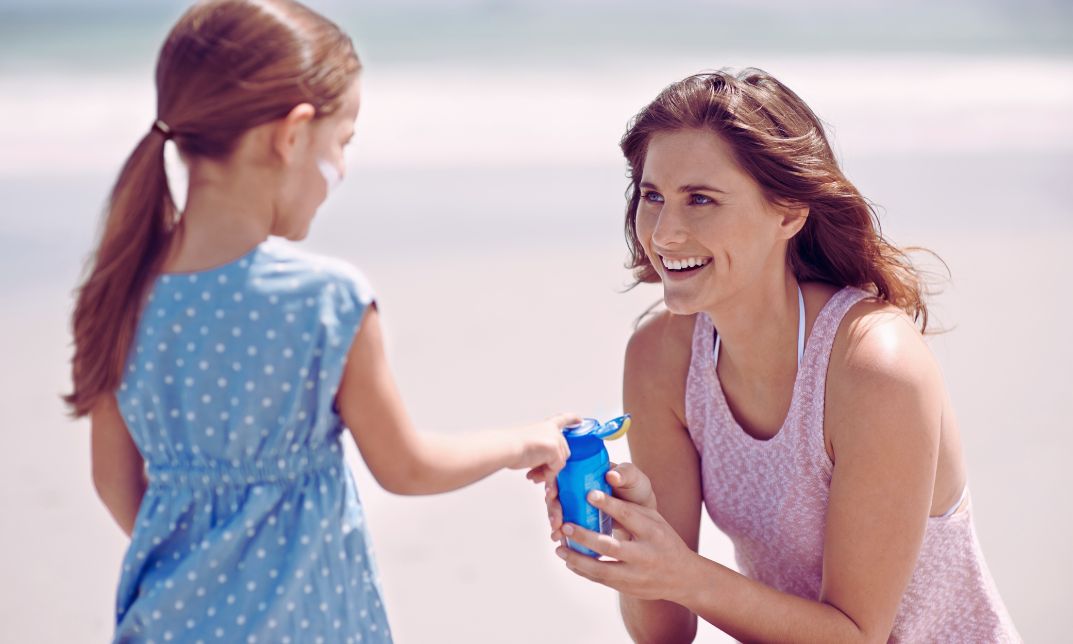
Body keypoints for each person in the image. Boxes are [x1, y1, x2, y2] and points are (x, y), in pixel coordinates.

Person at [64, 1, 573, 641]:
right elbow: (406, 466)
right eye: (343, 141)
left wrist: (207, 568)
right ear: (293, 134)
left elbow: (113, 480)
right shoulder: (325, 300)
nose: (343, 165)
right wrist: (524, 442)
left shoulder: (118, 291)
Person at [542, 69, 1020, 642]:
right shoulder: (661, 357)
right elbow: (665, 633)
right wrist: (632, 539)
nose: (664, 233)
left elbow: (855, 636)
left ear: (789, 213)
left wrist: (684, 573)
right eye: (653, 196)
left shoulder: (873, 365)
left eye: (701, 199)